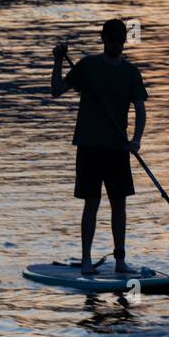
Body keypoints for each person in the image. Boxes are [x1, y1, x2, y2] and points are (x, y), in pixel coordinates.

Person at [51, 19, 148, 276]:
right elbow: (57, 90)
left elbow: (140, 108)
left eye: (120, 40)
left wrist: (136, 140)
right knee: (91, 204)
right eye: (112, 39)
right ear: (103, 38)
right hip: (90, 147)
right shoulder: (87, 66)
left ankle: (120, 261)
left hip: (118, 148)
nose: (116, 44)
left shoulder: (131, 73)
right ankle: (85, 260)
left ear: (124, 41)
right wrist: (58, 60)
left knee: (119, 205)